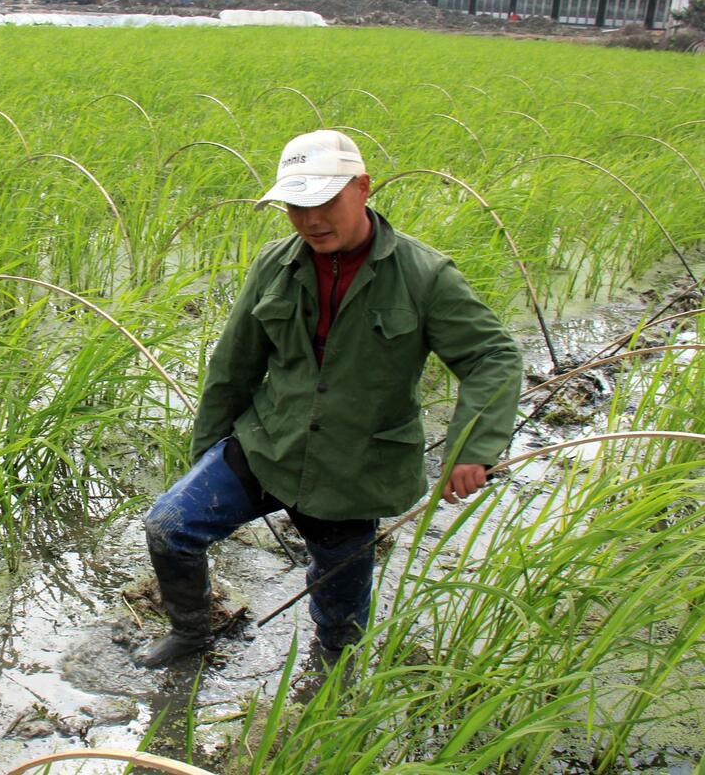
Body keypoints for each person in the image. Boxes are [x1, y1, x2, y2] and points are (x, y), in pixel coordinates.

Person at [133, 130, 523, 668]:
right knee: (170, 526)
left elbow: (492, 356)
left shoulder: (424, 275)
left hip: (355, 468)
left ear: (362, 188)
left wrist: (474, 446)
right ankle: (192, 636)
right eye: (296, 205)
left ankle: (332, 679)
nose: (310, 219)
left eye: (323, 202)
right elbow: (234, 365)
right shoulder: (276, 265)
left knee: (340, 622)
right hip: (271, 442)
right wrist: (206, 452)